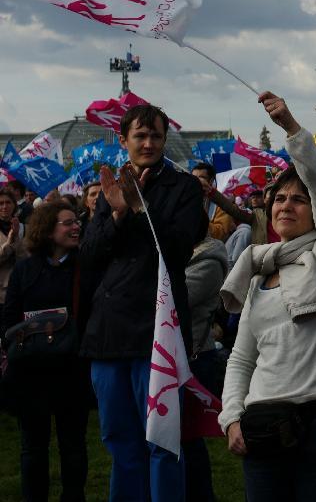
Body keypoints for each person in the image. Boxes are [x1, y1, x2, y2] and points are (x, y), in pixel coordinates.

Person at [219, 92, 316, 502]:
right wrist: (232, 418)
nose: (287, 205)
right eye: (279, 198)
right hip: (263, 421)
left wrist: (293, 129)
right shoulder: (257, 272)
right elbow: (241, 358)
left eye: (298, 200)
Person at [80, 103, 208, 502]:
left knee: (163, 441)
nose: (149, 143)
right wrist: (116, 214)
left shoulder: (184, 188)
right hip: (109, 333)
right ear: (124, 140)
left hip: (158, 332)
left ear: (164, 139)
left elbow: (176, 245)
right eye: (140, 135)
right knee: (120, 441)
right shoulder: (111, 188)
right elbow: (90, 254)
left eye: (155, 135)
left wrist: (137, 209)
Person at [2, 201, 91, 502]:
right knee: (33, 447)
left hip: (71, 371)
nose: (75, 226)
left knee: (73, 446)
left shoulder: (85, 266)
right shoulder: (25, 269)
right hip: (31, 373)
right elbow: (9, 320)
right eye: (67, 222)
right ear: (48, 230)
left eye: (76, 221)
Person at [182, 233, 229, 502]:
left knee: (189, 440)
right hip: (174, 355)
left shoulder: (209, 259)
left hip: (195, 357)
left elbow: (175, 296)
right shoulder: (175, 248)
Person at [0, 186, 27, 313]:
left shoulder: (24, 228)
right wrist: (9, 242)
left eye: (8, 202)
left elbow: (26, 258)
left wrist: (17, 238)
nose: (4, 207)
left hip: (20, 289)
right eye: (1, 203)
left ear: (14, 205)